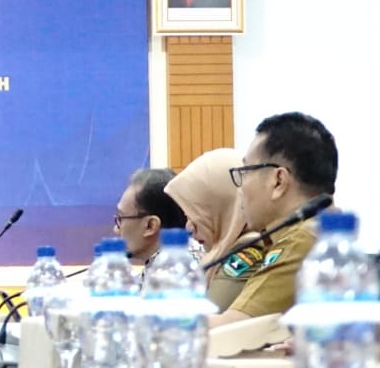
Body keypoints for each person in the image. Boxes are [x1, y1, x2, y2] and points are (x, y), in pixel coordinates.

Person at [211, 112, 339, 325]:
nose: (241, 188)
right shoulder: (314, 231)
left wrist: (158, 321)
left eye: (245, 172)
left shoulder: (301, 239)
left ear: (278, 181)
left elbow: (235, 326)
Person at [164, 148, 257, 311]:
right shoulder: (221, 252)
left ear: (221, 205)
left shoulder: (248, 251)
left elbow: (206, 318)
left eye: (197, 213)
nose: (189, 228)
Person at [114, 167, 188, 267]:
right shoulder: (187, 267)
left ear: (150, 226)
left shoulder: (171, 273)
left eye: (120, 219)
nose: (115, 229)